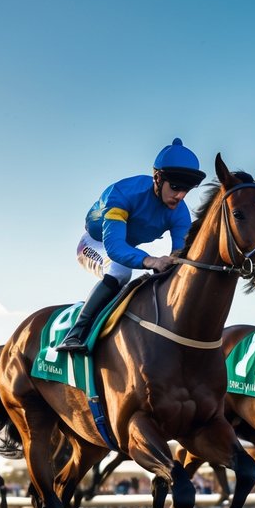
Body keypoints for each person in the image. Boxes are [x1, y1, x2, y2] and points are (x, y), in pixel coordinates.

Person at [54, 138, 207, 353]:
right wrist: (151, 260)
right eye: (175, 187)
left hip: (124, 248)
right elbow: (115, 247)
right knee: (120, 271)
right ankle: (75, 333)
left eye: (187, 190)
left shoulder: (180, 212)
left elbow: (180, 254)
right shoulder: (124, 193)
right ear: (157, 178)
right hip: (95, 243)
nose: (180, 196)